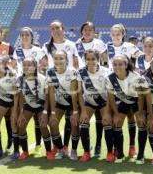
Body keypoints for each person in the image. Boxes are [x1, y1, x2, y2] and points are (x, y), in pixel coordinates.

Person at [42, 20, 79, 154]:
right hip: (54, 85)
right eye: (52, 28)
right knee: (54, 120)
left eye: (57, 27)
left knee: (71, 121)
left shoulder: (71, 44)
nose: (55, 30)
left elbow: (76, 64)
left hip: (70, 84)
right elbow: (43, 64)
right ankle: (59, 147)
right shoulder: (46, 46)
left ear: (63, 29)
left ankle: (66, 146)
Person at [106, 54, 149, 163]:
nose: (117, 67)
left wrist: (140, 113)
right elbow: (110, 97)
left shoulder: (136, 77)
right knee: (116, 122)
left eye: (120, 64)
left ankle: (140, 155)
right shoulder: (110, 78)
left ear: (126, 65)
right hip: (124, 101)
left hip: (137, 101)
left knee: (140, 122)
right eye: (115, 64)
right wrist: (115, 113)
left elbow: (141, 96)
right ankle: (120, 154)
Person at [106, 24, 141, 158]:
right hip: (113, 82)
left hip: (128, 82)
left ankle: (132, 146)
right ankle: (116, 148)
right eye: (113, 34)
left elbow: (141, 57)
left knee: (131, 115)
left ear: (123, 34)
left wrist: (136, 70)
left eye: (118, 33)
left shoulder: (129, 46)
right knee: (116, 116)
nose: (116, 36)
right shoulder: (107, 46)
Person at [75, 22, 107, 157]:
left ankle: (99, 145)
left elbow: (105, 59)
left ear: (94, 32)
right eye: (85, 30)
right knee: (81, 119)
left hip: (99, 78)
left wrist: (104, 72)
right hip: (84, 78)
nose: (87, 32)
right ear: (81, 31)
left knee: (101, 119)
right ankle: (86, 150)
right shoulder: (76, 44)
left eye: (90, 30)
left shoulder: (99, 43)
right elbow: (74, 61)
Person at [12, 27, 45, 155]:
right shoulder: (18, 50)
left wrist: (37, 74)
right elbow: (13, 65)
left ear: (32, 37)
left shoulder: (38, 50)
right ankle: (20, 148)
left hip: (35, 82)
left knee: (38, 118)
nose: (25, 36)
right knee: (23, 113)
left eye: (27, 34)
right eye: (22, 34)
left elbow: (43, 64)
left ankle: (38, 144)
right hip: (22, 84)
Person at [77, 49, 114, 162]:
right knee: (83, 121)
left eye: (93, 59)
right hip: (89, 102)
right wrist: (83, 111)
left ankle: (109, 152)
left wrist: (107, 111)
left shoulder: (106, 71)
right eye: (88, 59)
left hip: (104, 102)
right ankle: (86, 152)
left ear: (98, 60)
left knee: (107, 122)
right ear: (85, 60)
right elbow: (79, 93)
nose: (91, 61)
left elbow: (109, 92)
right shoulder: (81, 72)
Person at [16, 57, 54, 160]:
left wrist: (45, 113)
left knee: (43, 125)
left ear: (35, 67)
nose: (26, 67)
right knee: (21, 124)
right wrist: (20, 113)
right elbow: (21, 98)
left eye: (29, 65)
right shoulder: (19, 79)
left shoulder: (42, 78)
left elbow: (47, 98)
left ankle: (49, 151)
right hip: (28, 106)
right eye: (24, 65)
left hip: (41, 106)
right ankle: (25, 151)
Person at [47, 50, 79, 160]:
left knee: (74, 124)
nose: (58, 60)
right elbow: (51, 93)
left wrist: (75, 112)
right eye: (56, 58)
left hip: (73, 102)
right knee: (52, 123)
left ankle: (73, 150)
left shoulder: (72, 72)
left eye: (61, 58)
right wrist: (52, 112)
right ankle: (61, 149)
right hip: (60, 102)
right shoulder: (50, 72)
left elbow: (74, 94)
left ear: (66, 60)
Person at [0, 55, 19, 158]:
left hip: (14, 99)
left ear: (5, 64)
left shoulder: (12, 74)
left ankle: (16, 151)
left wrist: (15, 112)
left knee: (13, 121)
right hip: (2, 100)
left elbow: (16, 94)